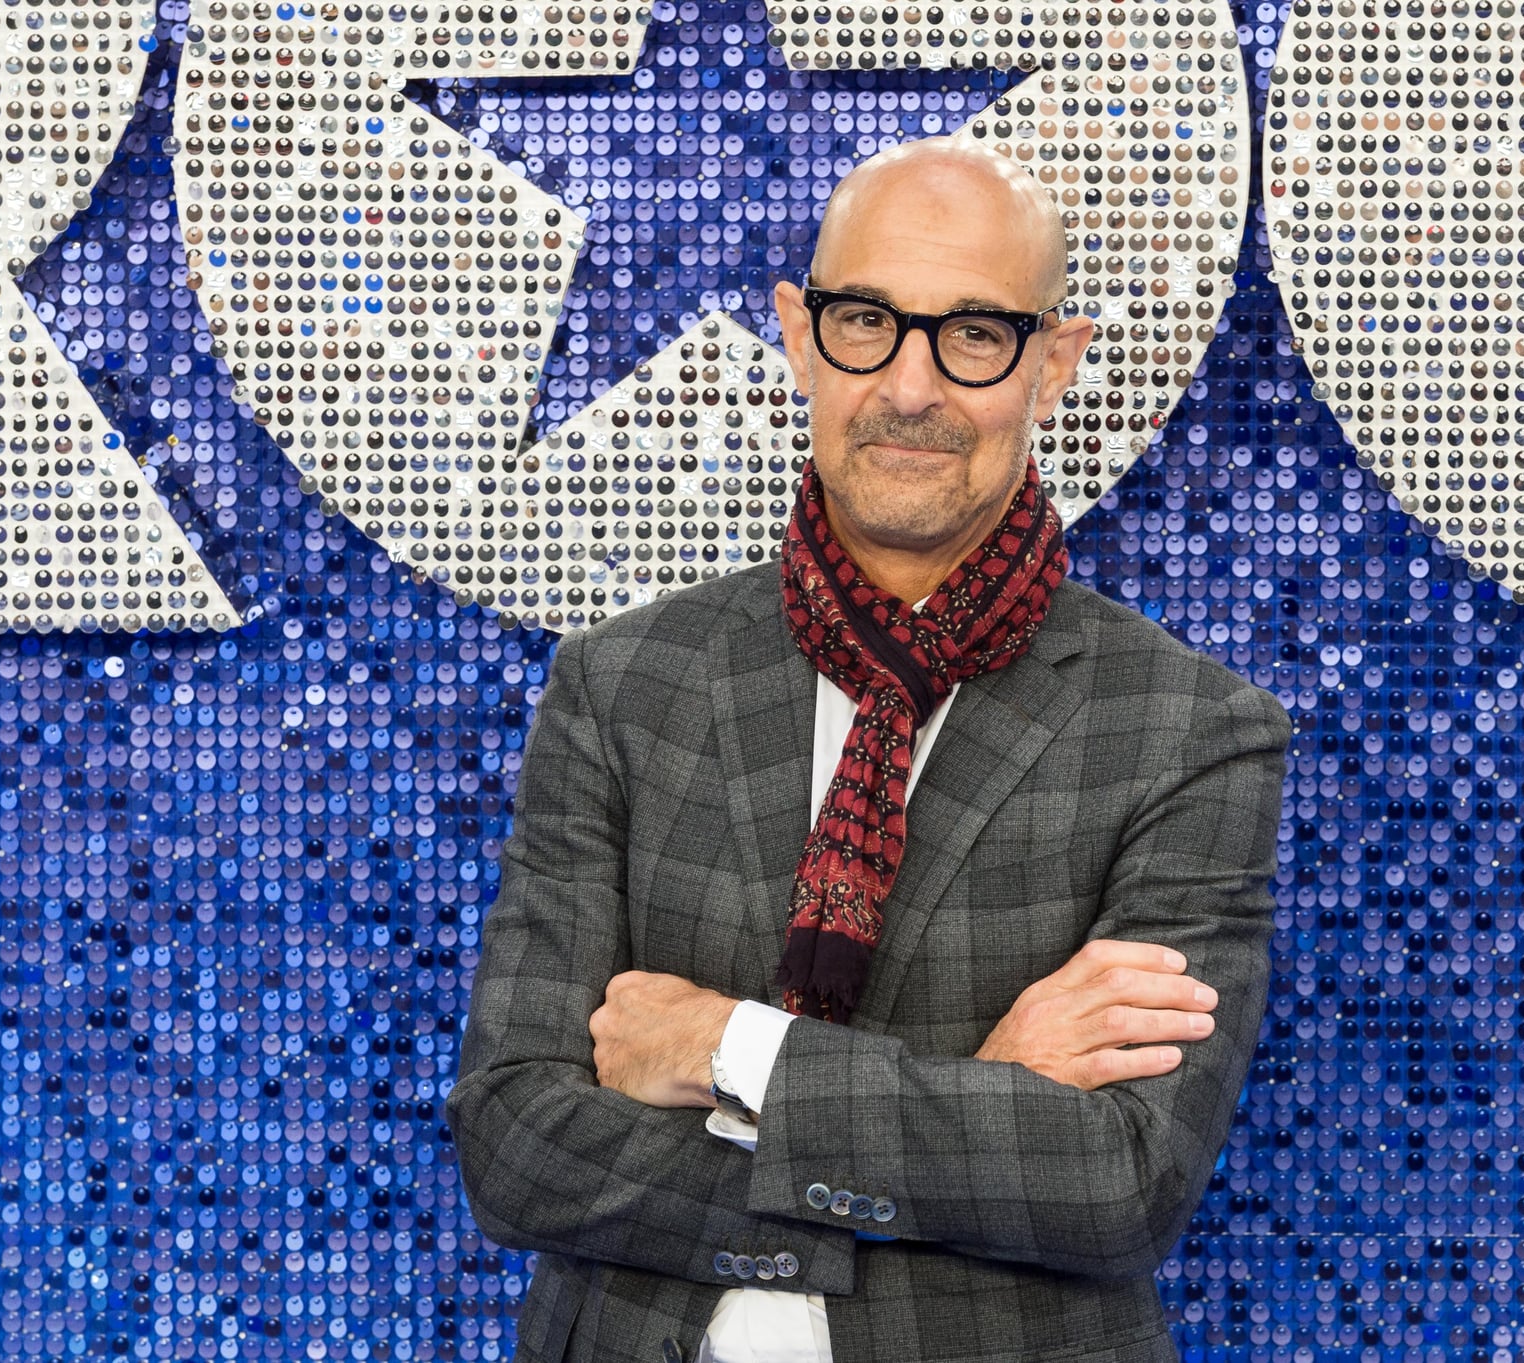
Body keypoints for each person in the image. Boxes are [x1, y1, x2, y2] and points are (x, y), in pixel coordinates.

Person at [446, 137, 1291, 1363]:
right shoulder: (622, 686)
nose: (910, 386)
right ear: (797, 333)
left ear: (1051, 365)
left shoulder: (1188, 732)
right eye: (867, 323)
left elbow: (1116, 1182)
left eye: (973, 335)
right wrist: (967, 1111)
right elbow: (516, 1143)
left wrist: (731, 1050)